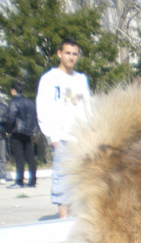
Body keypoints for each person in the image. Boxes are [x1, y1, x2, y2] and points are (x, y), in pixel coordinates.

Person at [36, 38, 91, 218]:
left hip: (81, 138)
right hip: (63, 137)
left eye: (75, 54)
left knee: (83, 181)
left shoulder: (81, 79)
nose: (71, 57)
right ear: (59, 54)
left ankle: (79, 219)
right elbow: (43, 108)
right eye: (68, 53)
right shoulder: (50, 79)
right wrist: (53, 137)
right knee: (63, 182)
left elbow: (87, 107)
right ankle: (63, 220)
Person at [4, 81, 38, 188]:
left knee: (19, 158)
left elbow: (10, 118)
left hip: (17, 132)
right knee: (30, 157)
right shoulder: (30, 102)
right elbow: (35, 117)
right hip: (29, 132)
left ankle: (19, 181)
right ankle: (32, 181)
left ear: (13, 90)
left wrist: (7, 130)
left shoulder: (14, 102)